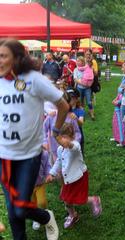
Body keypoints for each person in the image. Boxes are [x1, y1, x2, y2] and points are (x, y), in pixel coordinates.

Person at [0, 38, 69, 240]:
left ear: (18, 58)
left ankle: (46, 216)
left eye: (3, 56)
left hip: (29, 156)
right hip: (3, 156)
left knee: (20, 209)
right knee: (12, 210)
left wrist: (56, 131)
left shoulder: (34, 79)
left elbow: (63, 105)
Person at [46, 123, 102, 229]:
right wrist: (52, 173)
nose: (62, 141)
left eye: (65, 138)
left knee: (78, 198)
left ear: (72, 137)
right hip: (67, 179)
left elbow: (72, 147)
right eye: (61, 138)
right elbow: (58, 161)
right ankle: (73, 215)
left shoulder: (75, 145)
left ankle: (94, 200)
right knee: (66, 199)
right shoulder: (60, 149)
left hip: (78, 177)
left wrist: (68, 143)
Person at [31, 150, 51, 231]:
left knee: (42, 202)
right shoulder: (23, 156)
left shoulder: (44, 154)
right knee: (32, 203)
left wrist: (48, 174)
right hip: (29, 186)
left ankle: (45, 215)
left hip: (40, 184)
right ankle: (36, 218)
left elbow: (47, 166)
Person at [66, 88, 85, 154]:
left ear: (76, 99)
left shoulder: (80, 110)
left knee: (79, 152)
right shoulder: (64, 109)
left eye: (71, 97)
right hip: (66, 135)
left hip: (77, 135)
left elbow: (81, 123)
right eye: (68, 97)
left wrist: (76, 118)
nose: (69, 99)